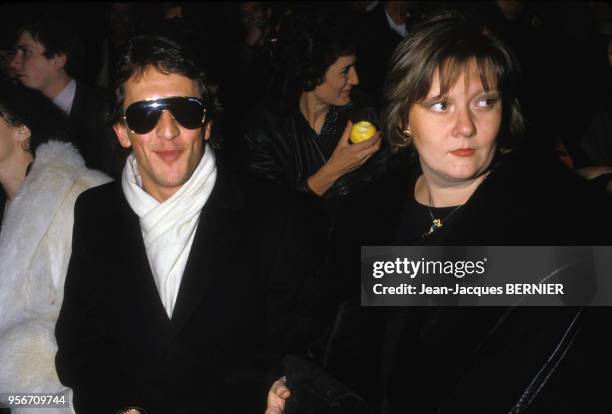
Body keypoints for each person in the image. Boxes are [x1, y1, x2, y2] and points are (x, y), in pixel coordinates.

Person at [268, 10, 612, 413]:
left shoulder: (560, 219)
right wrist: (294, 386)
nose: (465, 126)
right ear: (404, 120)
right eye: (440, 105)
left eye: (485, 101)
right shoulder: (366, 213)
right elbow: (324, 337)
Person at [55, 35, 317, 414]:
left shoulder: (277, 213)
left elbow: (294, 341)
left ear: (207, 124)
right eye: (145, 115)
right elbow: (79, 343)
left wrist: (276, 391)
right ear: (121, 131)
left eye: (186, 112)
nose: (167, 131)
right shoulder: (96, 212)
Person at [0, 81, 110, 413]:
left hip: (66, 398)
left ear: (22, 131)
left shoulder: (80, 197)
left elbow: (103, 316)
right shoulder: (9, 209)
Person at [244, 12, 389, 219]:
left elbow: (383, 203)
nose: (355, 79)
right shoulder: (265, 129)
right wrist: (334, 170)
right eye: (345, 71)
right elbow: (272, 215)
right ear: (312, 71)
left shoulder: (367, 113)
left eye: (354, 67)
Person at [10, 21, 116, 176]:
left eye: (26, 52)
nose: (14, 63)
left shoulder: (105, 107)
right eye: (16, 53)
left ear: (58, 59)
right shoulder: (19, 113)